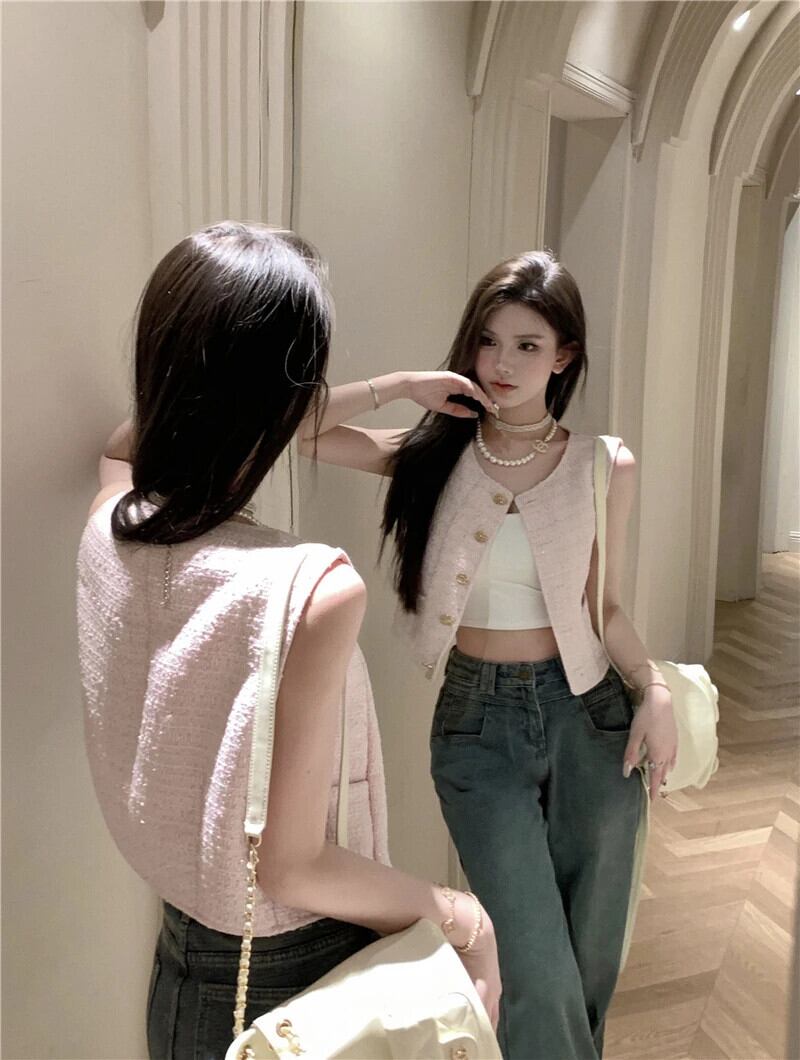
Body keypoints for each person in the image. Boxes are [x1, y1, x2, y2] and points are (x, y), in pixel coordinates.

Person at [76, 222, 501, 1060]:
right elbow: (292, 869)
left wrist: (387, 387)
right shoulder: (309, 590)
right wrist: (463, 915)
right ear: (279, 398)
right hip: (290, 983)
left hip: (183, 974)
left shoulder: (111, 524)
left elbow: (129, 440)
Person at [296, 250, 679, 1060]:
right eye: (488, 341)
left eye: (528, 345)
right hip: (478, 727)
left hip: (591, 719)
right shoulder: (433, 453)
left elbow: (604, 608)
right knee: (534, 968)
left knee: (589, 963)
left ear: (564, 356)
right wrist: (404, 384)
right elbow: (295, 426)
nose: (502, 363)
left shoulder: (604, 465)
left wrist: (655, 690)